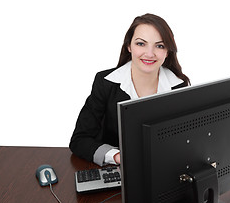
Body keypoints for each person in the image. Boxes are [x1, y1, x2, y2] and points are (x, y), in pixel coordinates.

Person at [69, 13, 190, 166]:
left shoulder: (179, 86)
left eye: (159, 46)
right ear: (129, 46)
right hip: (116, 172)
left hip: (162, 168)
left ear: (167, 52)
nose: (150, 53)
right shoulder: (106, 83)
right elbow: (79, 140)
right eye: (141, 44)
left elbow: (184, 141)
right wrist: (117, 156)